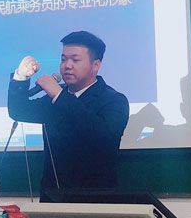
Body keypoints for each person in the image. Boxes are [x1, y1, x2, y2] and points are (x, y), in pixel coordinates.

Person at [8, 31, 129, 198]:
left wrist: (59, 96)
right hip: (52, 196)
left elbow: (102, 136)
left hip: (96, 198)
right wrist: (21, 77)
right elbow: (19, 110)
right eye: (63, 59)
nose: (67, 66)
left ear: (96, 65)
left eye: (75, 60)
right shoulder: (55, 97)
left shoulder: (113, 100)